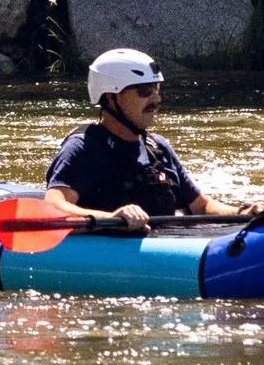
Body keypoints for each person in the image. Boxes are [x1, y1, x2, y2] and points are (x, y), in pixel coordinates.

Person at [47, 47, 207, 232]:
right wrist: (112, 218)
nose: (156, 98)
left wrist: (244, 211)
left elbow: (201, 207)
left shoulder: (157, 148)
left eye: (156, 88)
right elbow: (53, 208)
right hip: (108, 252)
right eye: (144, 90)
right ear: (111, 97)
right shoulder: (84, 148)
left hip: (161, 250)